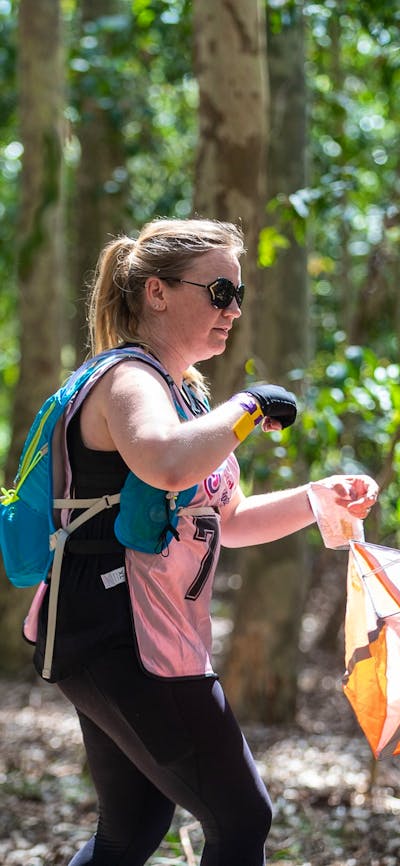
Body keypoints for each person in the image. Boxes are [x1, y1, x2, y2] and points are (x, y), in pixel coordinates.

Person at [33, 218, 378, 866]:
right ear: (157, 293)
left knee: (133, 827)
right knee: (243, 818)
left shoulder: (184, 393)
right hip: (120, 635)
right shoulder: (129, 381)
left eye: (238, 294)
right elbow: (165, 463)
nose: (234, 309)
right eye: (219, 291)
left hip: (126, 633)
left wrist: (314, 499)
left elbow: (231, 517)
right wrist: (248, 405)